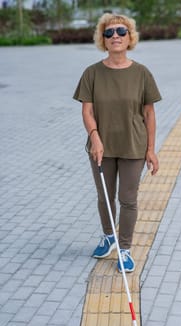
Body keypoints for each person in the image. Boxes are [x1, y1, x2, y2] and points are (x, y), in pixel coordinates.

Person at [73, 13, 161, 273]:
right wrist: (95, 138)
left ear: (130, 37)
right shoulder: (92, 73)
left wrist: (151, 150)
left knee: (128, 199)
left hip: (133, 145)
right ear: (103, 39)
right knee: (105, 197)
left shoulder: (142, 73)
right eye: (109, 33)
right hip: (101, 146)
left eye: (121, 32)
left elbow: (149, 114)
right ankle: (109, 236)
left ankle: (124, 249)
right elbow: (87, 111)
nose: (115, 37)